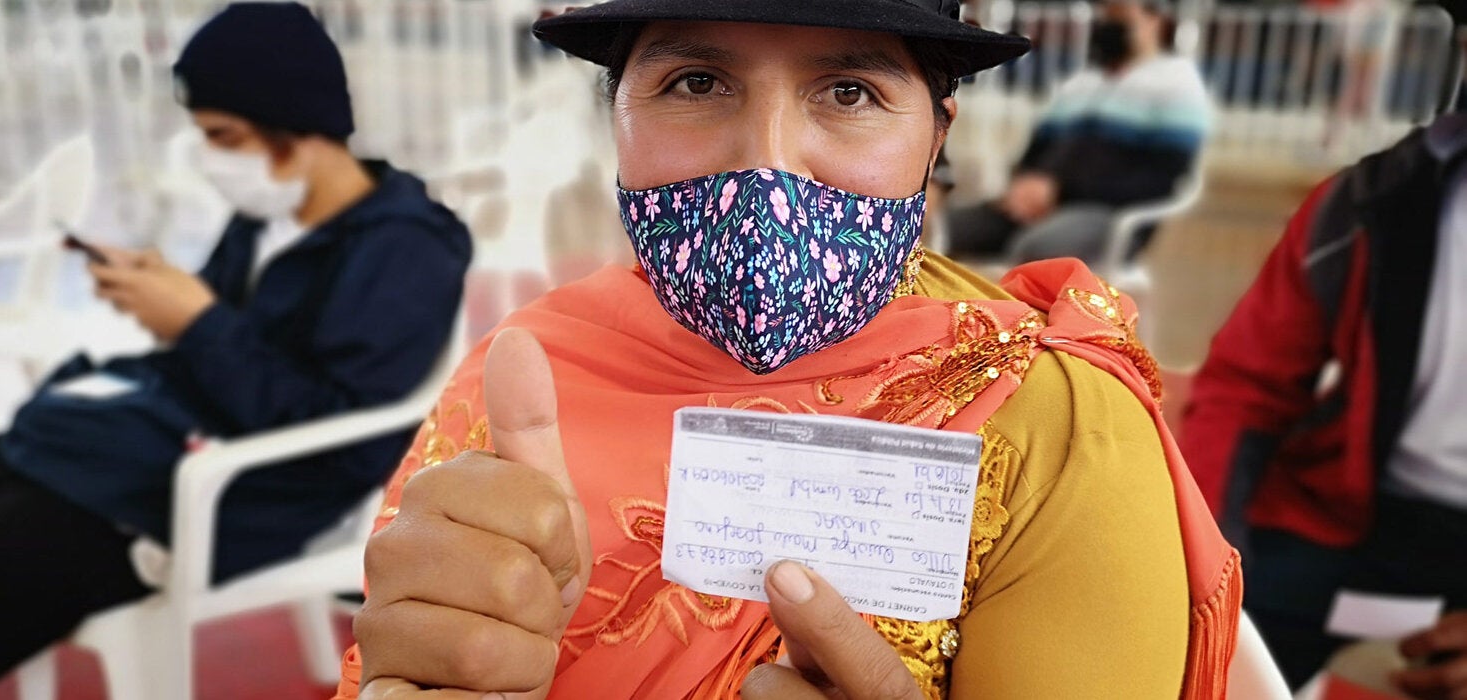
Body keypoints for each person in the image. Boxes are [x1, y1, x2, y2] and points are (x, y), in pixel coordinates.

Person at [339, 1, 1240, 699]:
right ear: (613, 117)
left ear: (937, 137)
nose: (765, 166)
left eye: (849, 93)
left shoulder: (1052, 421)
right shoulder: (530, 373)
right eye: (697, 82)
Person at [0, 2, 471, 692]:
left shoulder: (405, 249)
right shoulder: (270, 217)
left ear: (299, 132)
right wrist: (168, 296)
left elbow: (336, 437)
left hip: (233, 492)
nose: (210, 158)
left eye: (223, 136)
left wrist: (197, 321)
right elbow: (212, 340)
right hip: (150, 445)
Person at [1182, 112, 1467, 693]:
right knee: (1191, 657)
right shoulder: (1375, 197)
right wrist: (1204, 568)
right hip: (1352, 513)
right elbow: (1244, 386)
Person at [944, 0, 1213, 264]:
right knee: (941, 229)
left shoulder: (1178, 85)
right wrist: (1025, 187)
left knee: (1038, 248)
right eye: (1105, 14)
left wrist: (1060, 192)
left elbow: (1161, 178)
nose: (1108, 23)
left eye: (1119, 14)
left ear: (1155, 20)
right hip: (1038, 205)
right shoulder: (1080, 84)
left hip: (1111, 214)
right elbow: (1035, 152)